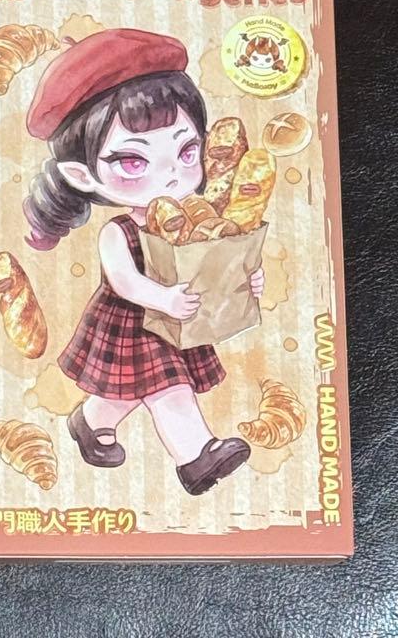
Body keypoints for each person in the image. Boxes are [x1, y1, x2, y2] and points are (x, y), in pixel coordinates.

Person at [23, 28, 263, 495]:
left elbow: (212, 262)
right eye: (134, 162)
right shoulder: (119, 231)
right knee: (166, 386)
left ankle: (90, 421)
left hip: (175, 319)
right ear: (81, 175)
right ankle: (196, 456)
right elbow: (124, 281)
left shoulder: (198, 220)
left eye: (187, 151)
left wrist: (245, 278)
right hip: (133, 323)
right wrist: (163, 298)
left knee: (124, 390)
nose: (171, 174)